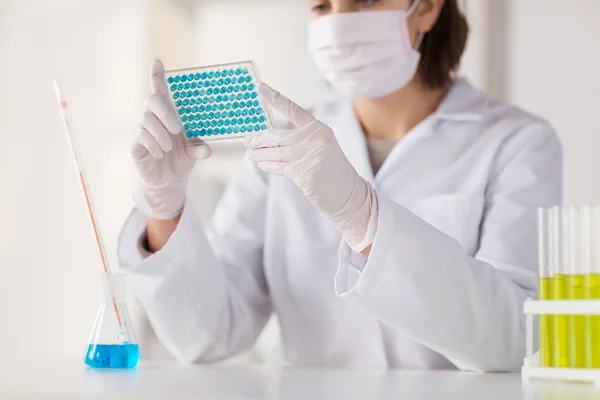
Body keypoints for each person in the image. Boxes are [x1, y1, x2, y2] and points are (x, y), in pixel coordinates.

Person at [119, 0, 561, 371]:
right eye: (322, 6)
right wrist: (163, 205)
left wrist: (362, 217)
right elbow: (209, 334)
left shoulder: (517, 142)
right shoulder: (279, 142)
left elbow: (510, 338)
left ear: (425, 7)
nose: (338, 22)